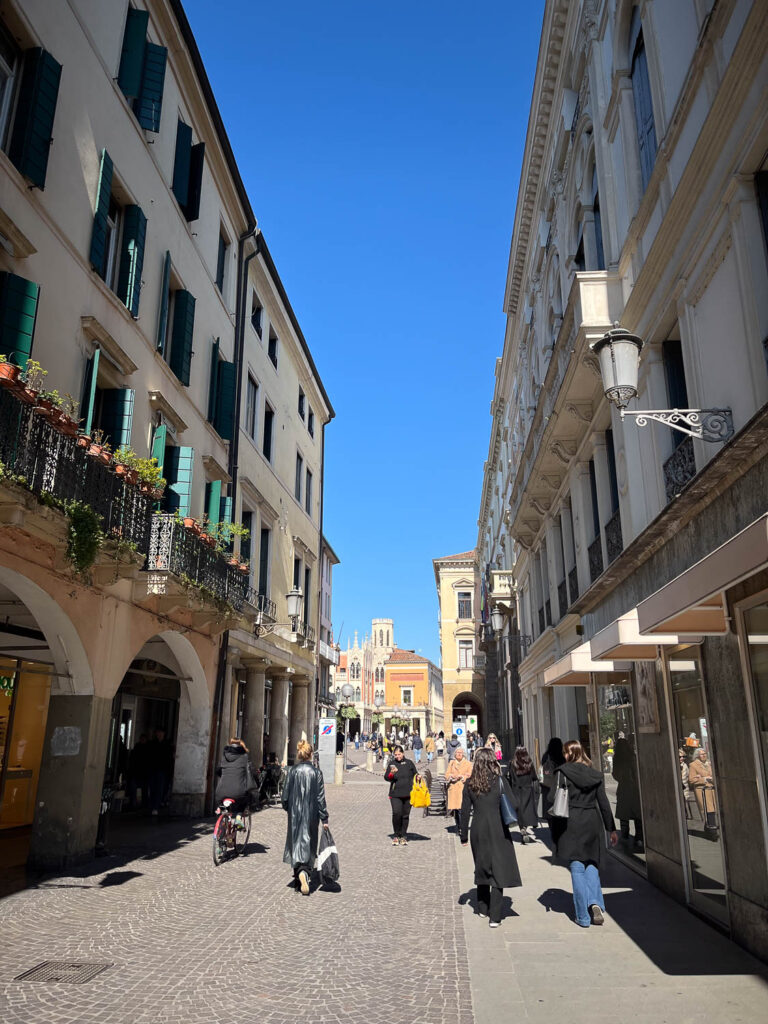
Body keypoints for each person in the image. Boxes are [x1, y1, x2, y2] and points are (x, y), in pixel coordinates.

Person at [550, 740, 617, 928]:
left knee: (577, 866)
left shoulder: (562, 773)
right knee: (592, 863)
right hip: (592, 821)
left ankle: (583, 916)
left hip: (571, 822)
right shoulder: (595, 775)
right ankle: (595, 903)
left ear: (568, 754)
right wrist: (611, 828)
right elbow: (603, 803)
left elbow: (551, 799)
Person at [460, 747, 522, 928]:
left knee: (482, 865)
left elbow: (464, 812)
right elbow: (515, 804)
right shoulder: (500, 781)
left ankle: (482, 907)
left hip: (478, 829)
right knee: (498, 869)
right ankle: (495, 916)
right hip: (498, 828)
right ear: (492, 762)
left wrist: (463, 835)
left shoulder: (470, 782)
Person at [282, 739, 329, 894]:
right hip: (312, 814)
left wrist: (288, 808)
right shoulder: (316, 773)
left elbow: (285, 796)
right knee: (309, 842)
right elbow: (320, 798)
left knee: (296, 843)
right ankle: (305, 872)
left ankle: (298, 874)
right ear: (310, 755)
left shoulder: (292, 771)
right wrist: (324, 818)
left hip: (294, 814)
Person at [215, 738, 256, 829]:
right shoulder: (245, 756)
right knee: (244, 801)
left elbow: (218, 770)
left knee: (223, 804)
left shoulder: (224, 756)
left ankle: (222, 814)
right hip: (238, 791)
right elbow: (251, 771)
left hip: (221, 790)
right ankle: (238, 819)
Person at [612, 737, 643, 847]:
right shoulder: (633, 757)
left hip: (623, 788)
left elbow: (615, 774)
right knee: (638, 815)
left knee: (624, 815)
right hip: (634, 789)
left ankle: (624, 836)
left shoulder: (617, 759)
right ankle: (639, 837)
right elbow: (637, 772)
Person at [384, 744, 418, 846]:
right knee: (396, 813)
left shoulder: (409, 763)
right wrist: (392, 774)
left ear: (403, 753)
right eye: (396, 754)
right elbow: (387, 778)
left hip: (408, 794)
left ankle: (403, 835)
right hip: (395, 794)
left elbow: (415, 774)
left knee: (405, 815)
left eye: (399, 754)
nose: (397, 756)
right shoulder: (392, 763)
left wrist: (418, 777)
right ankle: (396, 835)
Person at [507, 746, 538, 843]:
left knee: (519, 810)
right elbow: (534, 777)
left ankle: (522, 827)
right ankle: (525, 826)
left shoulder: (512, 763)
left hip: (516, 789)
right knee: (527, 809)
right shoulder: (529, 763)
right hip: (527, 789)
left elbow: (507, 776)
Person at [688, 748, 718, 830]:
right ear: (697, 756)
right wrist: (704, 779)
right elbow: (691, 780)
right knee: (709, 811)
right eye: (702, 754)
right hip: (703, 791)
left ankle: (709, 827)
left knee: (714, 810)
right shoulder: (693, 765)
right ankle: (712, 830)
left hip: (712, 790)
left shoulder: (710, 763)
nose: (704, 755)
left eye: (705, 753)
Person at [146, 727, 173, 816]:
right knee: (153, 788)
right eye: (158, 732)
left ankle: (156, 807)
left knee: (160, 789)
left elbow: (169, 758)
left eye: (161, 732)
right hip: (153, 769)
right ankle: (152, 806)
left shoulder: (167, 745)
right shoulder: (152, 744)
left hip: (162, 770)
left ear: (163, 734)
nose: (159, 734)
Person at [445, 746, 472, 830]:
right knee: (456, 810)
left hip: (463, 788)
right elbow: (447, 774)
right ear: (455, 754)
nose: (459, 754)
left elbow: (470, 774)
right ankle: (458, 826)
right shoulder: (451, 763)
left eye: (460, 753)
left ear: (463, 754)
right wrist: (451, 776)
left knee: (461, 809)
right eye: (457, 752)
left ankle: (462, 827)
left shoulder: (468, 763)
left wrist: (463, 776)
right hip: (453, 788)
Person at [126, 733, 150, 809]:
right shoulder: (140, 749)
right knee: (141, 789)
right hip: (138, 772)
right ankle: (138, 803)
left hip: (141, 772)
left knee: (141, 788)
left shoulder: (137, 749)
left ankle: (137, 803)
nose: (142, 740)